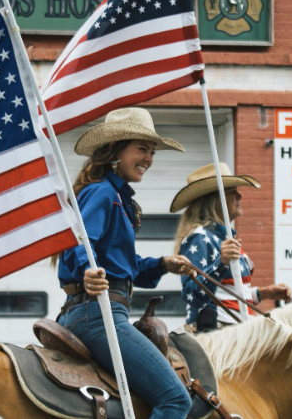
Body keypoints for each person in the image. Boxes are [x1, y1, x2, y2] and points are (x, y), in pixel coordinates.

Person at [56, 108, 195, 419]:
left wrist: (162, 264)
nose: (149, 158)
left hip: (94, 312)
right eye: (142, 149)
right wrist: (86, 270)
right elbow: (77, 241)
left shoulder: (117, 198)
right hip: (98, 315)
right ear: (115, 149)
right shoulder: (103, 193)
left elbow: (125, 267)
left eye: (152, 151)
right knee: (176, 400)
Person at [171, 163, 292, 332]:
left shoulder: (223, 237)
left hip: (236, 330)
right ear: (215, 200)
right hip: (215, 334)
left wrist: (262, 294)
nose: (240, 196)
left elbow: (226, 295)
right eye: (232, 192)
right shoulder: (199, 238)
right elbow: (194, 295)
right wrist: (222, 263)